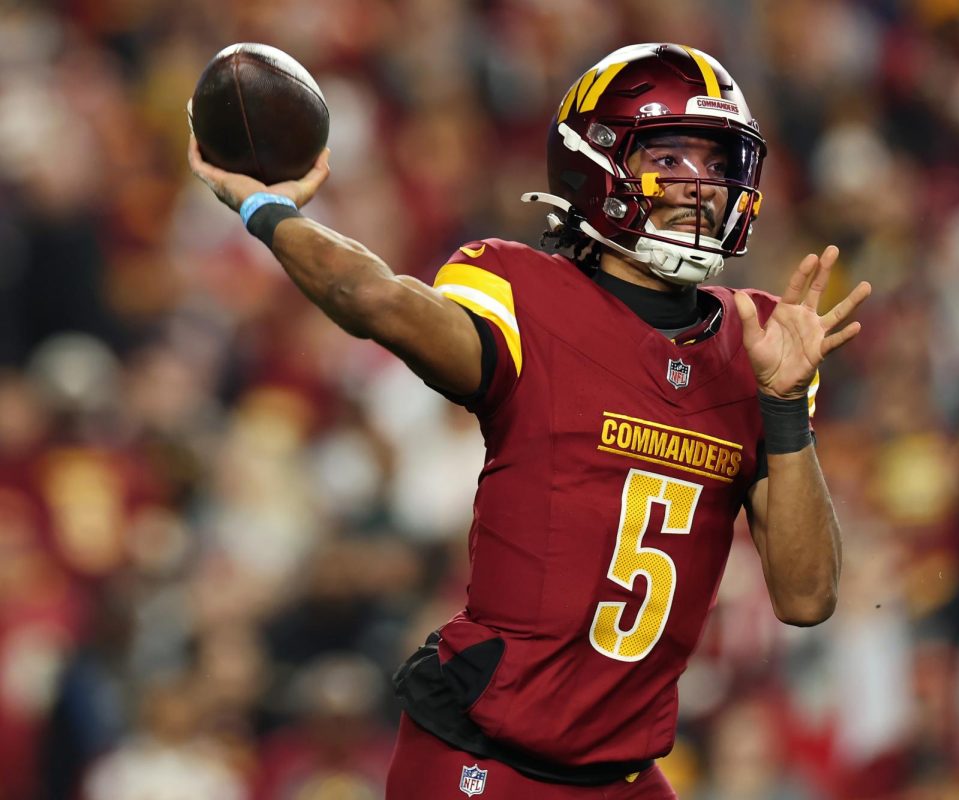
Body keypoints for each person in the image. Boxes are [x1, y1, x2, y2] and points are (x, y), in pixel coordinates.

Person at [189, 42, 870, 800]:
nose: (700, 186)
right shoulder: (523, 293)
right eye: (669, 158)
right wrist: (265, 206)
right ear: (598, 163)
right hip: (487, 759)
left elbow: (807, 598)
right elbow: (376, 298)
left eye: (716, 163)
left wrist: (783, 408)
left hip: (625, 775)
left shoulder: (757, 345)